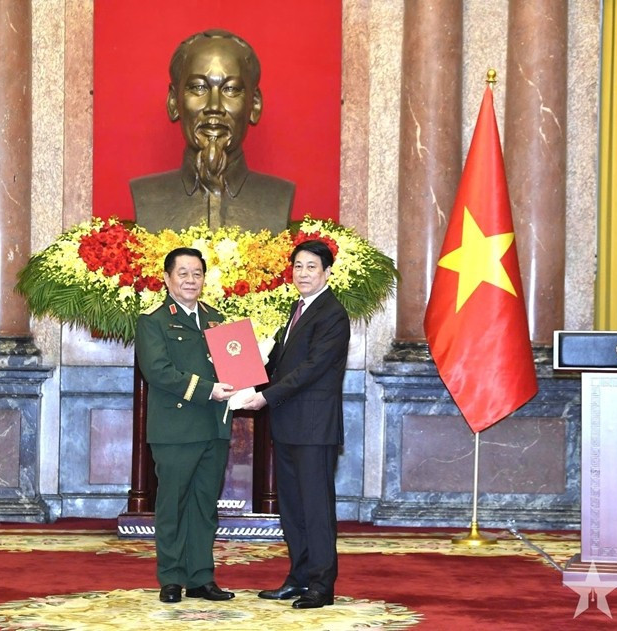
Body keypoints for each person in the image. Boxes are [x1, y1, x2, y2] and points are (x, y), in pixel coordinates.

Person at [240, 239, 351, 609]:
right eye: (298, 266)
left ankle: (321, 585)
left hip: (314, 428)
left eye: (311, 267)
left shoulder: (332, 313)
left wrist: (266, 396)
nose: (303, 273)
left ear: (327, 272)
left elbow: (312, 368)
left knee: (316, 508)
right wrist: (242, 374)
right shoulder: (299, 308)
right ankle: (299, 577)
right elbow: (279, 362)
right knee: (293, 508)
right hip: (289, 425)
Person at [134, 247, 237, 604]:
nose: (191, 280)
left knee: (204, 506)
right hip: (176, 430)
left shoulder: (216, 319)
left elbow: (233, 365)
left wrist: (246, 380)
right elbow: (158, 372)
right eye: (183, 273)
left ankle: (201, 578)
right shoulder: (154, 321)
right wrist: (209, 390)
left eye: (197, 273)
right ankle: (172, 578)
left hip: (214, 426)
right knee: (173, 506)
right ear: (167, 278)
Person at [130, 29, 294, 233]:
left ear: (254, 104)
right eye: (199, 88)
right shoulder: (146, 196)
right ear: (173, 102)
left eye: (230, 89)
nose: (214, 106)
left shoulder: (279, 197)